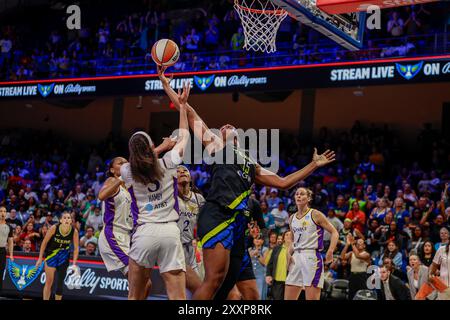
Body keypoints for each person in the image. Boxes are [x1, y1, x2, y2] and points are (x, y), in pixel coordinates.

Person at [158, 66, 336, 300]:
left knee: (242, 290)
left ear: (239, 137)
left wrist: (313, 165)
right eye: (221, 127)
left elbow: (283, 183)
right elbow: (190, 113)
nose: (226, 125)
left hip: (238, 224)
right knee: (214, 279)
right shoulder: (217, 147)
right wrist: (166, 85)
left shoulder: (251, 164)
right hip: (218, 215)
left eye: (230, 126)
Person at [122, 83, 190, 300]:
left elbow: (140, 160)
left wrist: (158, 148)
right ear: (152, 145)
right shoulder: (168, 163)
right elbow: (185, 136)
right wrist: (182, 106)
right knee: (177, 297)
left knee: (135, 295)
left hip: (144, 233)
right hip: (170, 232)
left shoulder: (127, 171)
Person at [285, 187, 339, 300]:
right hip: (296, 257)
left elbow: (334, 232)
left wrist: (330, 250)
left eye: (302, 194)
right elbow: (293, 240)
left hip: (311, 257)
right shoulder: (291, 218)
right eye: (297, 194)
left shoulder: (315, 214)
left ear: (309, 198)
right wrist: (288, 254)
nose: (298, 196)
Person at [36, 211, 79, 300]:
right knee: (49, 282)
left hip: (64, 256)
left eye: (68, 218)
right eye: (65, 218)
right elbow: (44, 243)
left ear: (71, 221)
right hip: (51, 255)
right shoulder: (54, 228)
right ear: (60, 220)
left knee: (60, 284)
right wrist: (40, 258)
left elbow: (76, 248)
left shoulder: (74, 231)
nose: (67, 219)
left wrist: (74, 264)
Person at [176, 165, 205, 295]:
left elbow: (204, 223)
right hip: (174, 247)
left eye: (185, 171)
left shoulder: (199, 199)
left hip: (191, 248)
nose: (182, 172)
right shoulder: (169, 197)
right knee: (178, 286)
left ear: (191, 178)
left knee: (197, 286)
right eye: (178, 171)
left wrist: (199, 238)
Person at [341, 234, 371, 299]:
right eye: (358, 243)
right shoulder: (351, 253)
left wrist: (352, 244)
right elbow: (342, 256)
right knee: (351, 294)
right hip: (352, 276)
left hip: (362, 276)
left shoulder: (367, 254)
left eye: (361, 242)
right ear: (356, 245)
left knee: (363, 294)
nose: (359, 244)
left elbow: (358, 256)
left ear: (364, 245)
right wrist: (347, 244)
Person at [266, 230, 292, 300]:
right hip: (277, 282)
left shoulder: (297, 250)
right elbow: (270, 264)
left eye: (291, 234)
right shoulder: (276, 248)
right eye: (287, 235)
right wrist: (268, 275)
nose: (289, 236)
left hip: (291, 282)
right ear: (283, 238)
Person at [0, 206, 14, 293]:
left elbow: (10, 242)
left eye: (4, 211)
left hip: (2, 251)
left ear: (6, 213)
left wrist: (11, 254)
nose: (2, 213)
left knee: (0, 273)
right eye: (1, 211)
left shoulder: (9, 226)